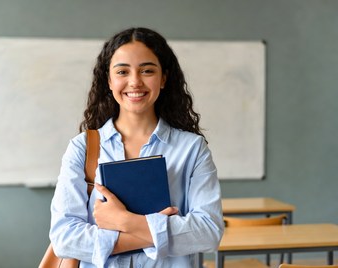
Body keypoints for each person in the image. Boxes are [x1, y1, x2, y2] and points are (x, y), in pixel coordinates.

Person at [50, 27, 224, 268]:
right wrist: (155, 231)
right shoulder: (82, 148)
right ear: (109, 81)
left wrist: (124, 220)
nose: (135, 82)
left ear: (163, 78)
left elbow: (208, 232)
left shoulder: (192, 149)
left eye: (147, 70)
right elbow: (64, 239)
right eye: (122, 71)